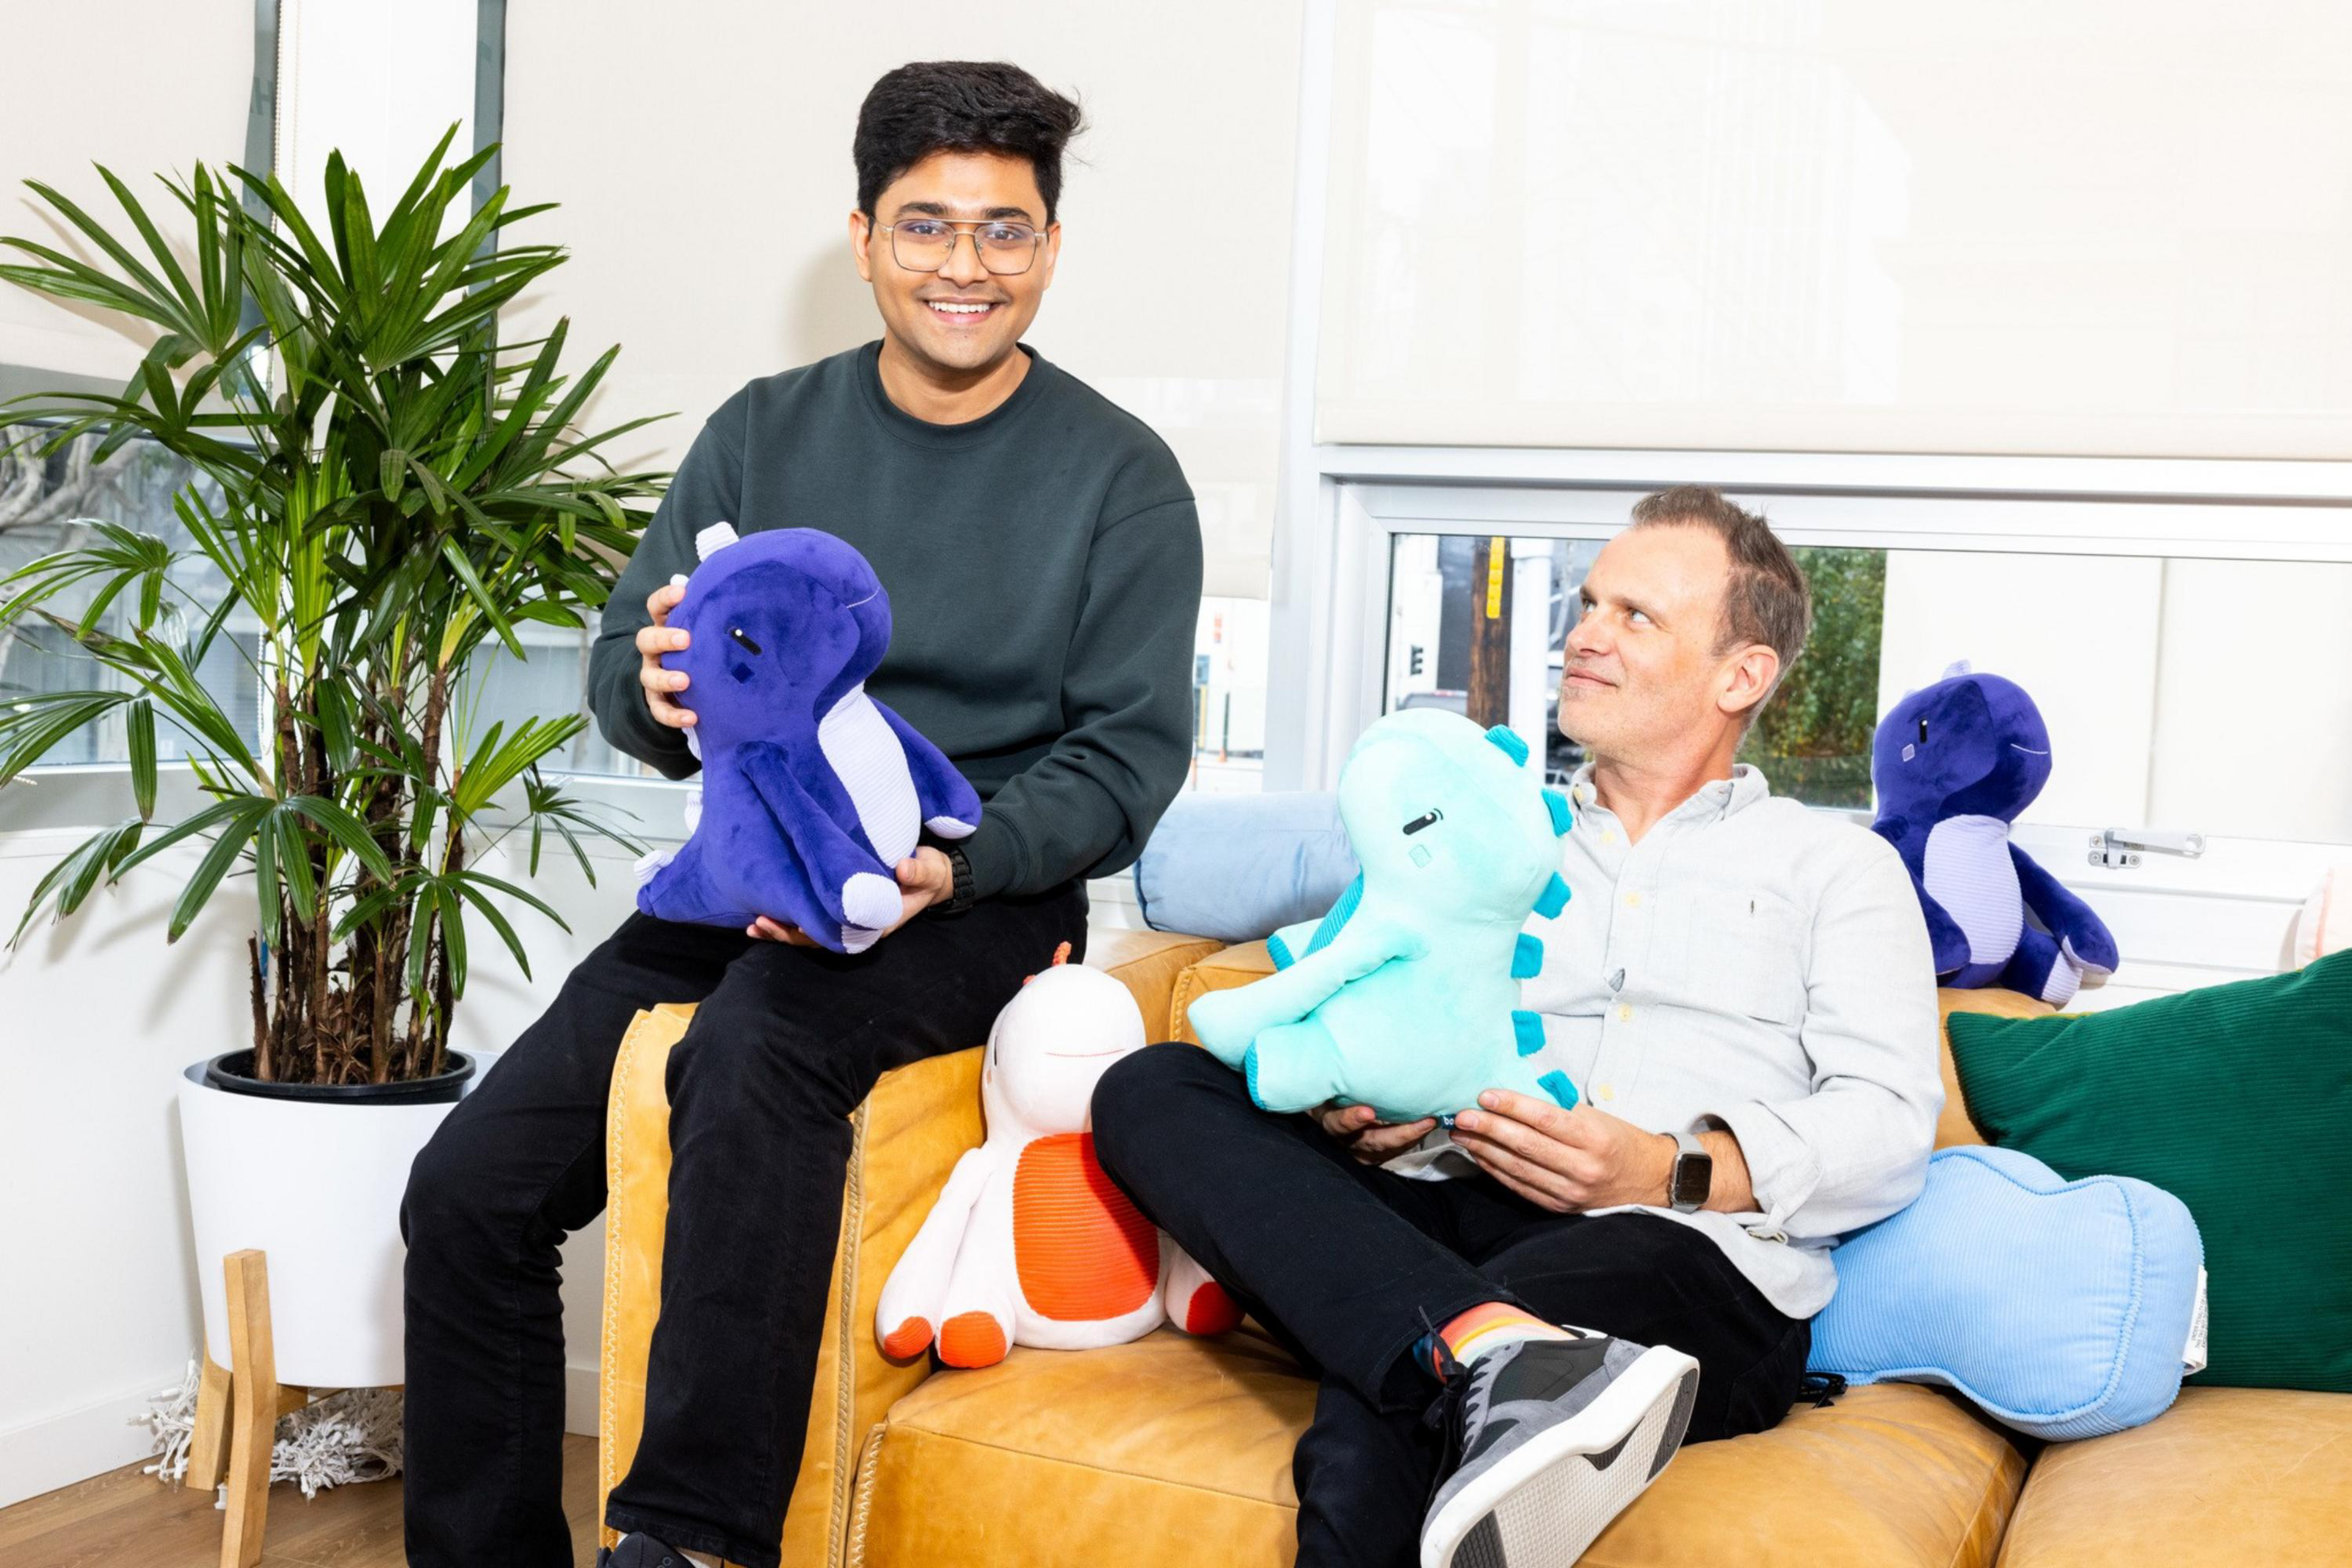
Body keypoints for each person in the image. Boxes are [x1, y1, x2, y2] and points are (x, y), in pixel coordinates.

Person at [399, 61, 1203, 1568]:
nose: (966, 266)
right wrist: (656, 687)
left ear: (1048, 246)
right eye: (927, 226)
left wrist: (944, 870)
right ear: (862, 236)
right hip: (738, 865)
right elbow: (630, 680)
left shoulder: (1123, 478)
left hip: (970, 890)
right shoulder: (762, 431)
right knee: (467, 1192)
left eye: (1005, 231)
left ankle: (691, 1540)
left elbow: (1126, 761)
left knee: (759, 1037)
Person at [1093, 487, 1940, 1568]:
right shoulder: (1488, 839)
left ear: (1742, 674)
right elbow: (1384, 1011)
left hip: (1683, 1259)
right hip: (1443, 1205)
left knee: (1407, 1376)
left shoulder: (1836, 868)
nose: (1582, 633)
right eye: (1588, 603)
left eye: (1636, 615)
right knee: (1155, 1086)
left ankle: (1474, 1342)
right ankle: (1490, 1344)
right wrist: (1364, 1117)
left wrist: (1658, 1168)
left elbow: (1888, 1126)